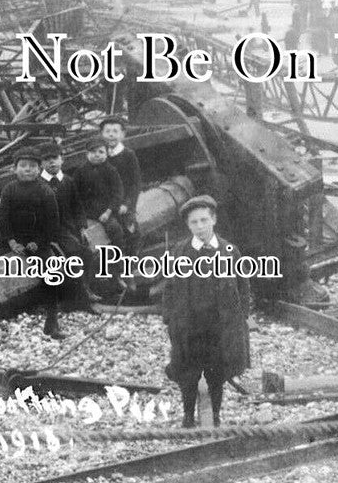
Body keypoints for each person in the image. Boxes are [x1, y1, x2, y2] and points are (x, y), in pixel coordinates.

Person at [162, 196, 251, 428]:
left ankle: (216, 414)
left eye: (204, 220)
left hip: (218, 326)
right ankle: (188, 415)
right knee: (188, 374)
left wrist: (242, 316)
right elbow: (169, 287)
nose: (200, 227)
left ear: (214, 220)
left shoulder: (229, 251)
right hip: (189, 325)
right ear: (188, 226)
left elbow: (243, 285)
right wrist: (169, 318)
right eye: (194, 223)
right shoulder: (179, 252)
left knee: (217, 373)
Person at [0, 147, 65, 338]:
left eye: (33, 166)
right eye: (23, 166)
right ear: (14, 169)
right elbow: (3, 218)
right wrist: (10, 241)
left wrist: (39, 242)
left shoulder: (45, 191)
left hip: (38, 242)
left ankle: (52, 321)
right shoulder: (9, 189)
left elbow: (52, 221)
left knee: (52, 274)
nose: (28, 170)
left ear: (39, 168)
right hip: (14, 240)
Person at [39, 143, 99, 308]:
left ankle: (85, 288)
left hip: (69, 228)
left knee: (88, 254)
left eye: (55, 158)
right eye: (47, 160)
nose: (52, 163)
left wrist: (82, 228)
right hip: (51, 231)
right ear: (41, 164)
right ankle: (79, 296)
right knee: (76, 254)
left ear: (62, 160)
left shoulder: (67, 181)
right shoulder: (38, 185)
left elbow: (77, 206)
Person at [74, 136, 126, 250]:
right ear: (87, 154)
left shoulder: (111, 170)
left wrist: (108, 212)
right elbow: (75, 196)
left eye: (101, 152)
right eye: (93, 151)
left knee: (115, 228)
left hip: (106, 210)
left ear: (106, 154)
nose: (97, 154)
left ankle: (120, 257)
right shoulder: (80, 172)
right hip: (88, 212)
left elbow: (118, 193)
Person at [100, 117, 142, 249]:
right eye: (107, 131)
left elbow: (135, 183)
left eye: (115, 131)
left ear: (123, 134)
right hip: (108, 204)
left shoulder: (128, 155)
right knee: (113, 233)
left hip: (124, 203)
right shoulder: (101, 156)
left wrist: (127, 204)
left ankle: (131, 261)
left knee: (132, 232)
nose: (111, 135)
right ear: (102, 134)